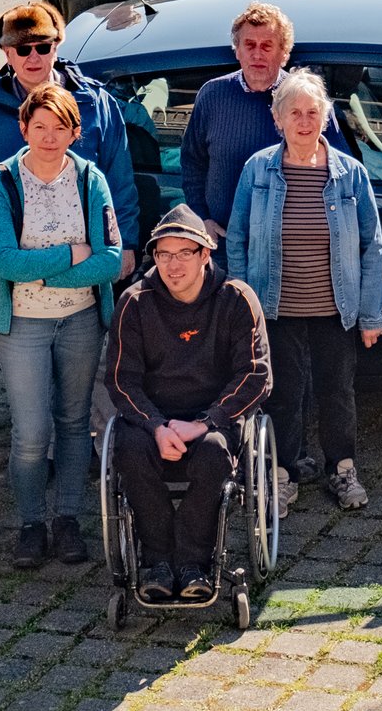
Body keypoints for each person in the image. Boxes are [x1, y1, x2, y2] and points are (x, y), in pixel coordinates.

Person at [226, 71, 382, 513]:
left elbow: (371, 244)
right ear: (277, 119)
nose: (303, 121)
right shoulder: (258, 169)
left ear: (325, 117)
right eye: (293, 112)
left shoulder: (349, 174)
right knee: (283, 393)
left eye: (312, 112)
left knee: (337, 391)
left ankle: (342, 468)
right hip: (274, 308)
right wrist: (243, 304)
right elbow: (236, 238)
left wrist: (372, 314)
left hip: (335, 307)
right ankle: (282, 473)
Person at [0, 82, 124, 567]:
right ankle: (30, 524)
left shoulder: (90, 180)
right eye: (38, 126)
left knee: (73, 423)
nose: (48, 136)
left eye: (59, 127)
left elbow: (108, 261)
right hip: (23, 325)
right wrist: (68, 254)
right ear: (23, 128)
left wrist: (40, 265)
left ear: (74, 132)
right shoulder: (0, 182)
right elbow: (5, 262)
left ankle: (66, 520)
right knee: (30, 433)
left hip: (81, 321)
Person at [107, 204, 271, 604]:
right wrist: (157, 426)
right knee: (127, 448)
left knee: (215, 455)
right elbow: (120, 378)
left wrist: (204, 423)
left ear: (205, 254)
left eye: (184, 254)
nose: (173, 265)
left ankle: (194, 562)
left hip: (212, 420)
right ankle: (158, 560)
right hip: (153, 420)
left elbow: (255, 375)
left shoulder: (237, 299)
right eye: (164, 254)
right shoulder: (135, 302)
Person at [0, 2, 141, 270]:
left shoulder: (96, 103)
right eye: (22, 49)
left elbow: (119, 177)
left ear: (56, 47)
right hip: (20, 256)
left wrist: (126, 241)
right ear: (7, 53)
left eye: (43, 47)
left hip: (91, 248)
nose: (33, 57)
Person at [180, 2, 345, 240]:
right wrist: (201, 218)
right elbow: (193, 162)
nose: (257, 54)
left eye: (267, 46)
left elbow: (340, 170)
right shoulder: (212, 95)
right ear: (237, 50)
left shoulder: (308, 101)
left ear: (284, 54)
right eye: (249, 45)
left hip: (288, 246)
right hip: (223, 241)